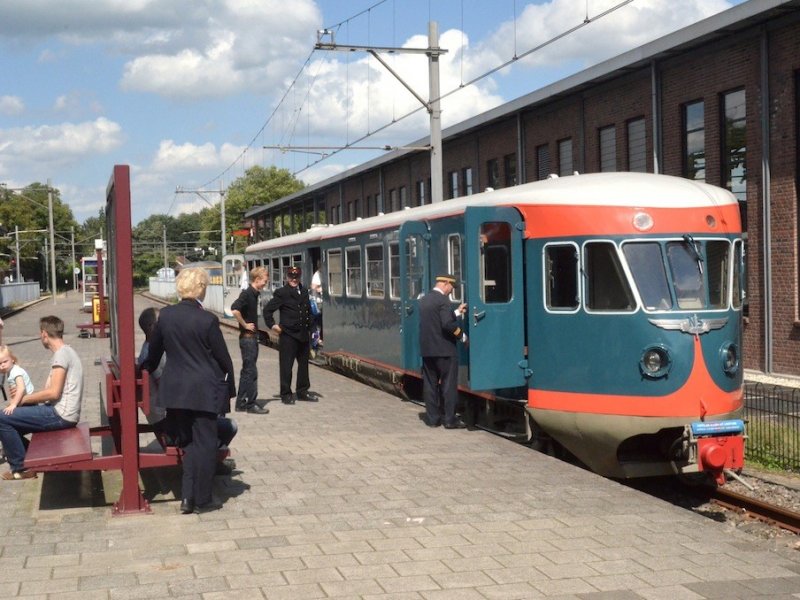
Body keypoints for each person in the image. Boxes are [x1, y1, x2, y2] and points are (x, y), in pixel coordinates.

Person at [142, 268, 236, 514]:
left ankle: (187, 498)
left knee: (188, 444)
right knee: (205, 445)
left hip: (175, 393)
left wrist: (144, 368)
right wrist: (230, 389)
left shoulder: (166, 317)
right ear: (200, 288)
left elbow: (153, 354)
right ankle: (202, 499)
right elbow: (223, 358)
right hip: (203, 391)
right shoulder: (207, 320)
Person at [137, 307, 238, 470]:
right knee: (229, 426)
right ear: (152, 328)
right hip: (168, 421)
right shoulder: (157, 356)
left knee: (213, 412)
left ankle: (210, 459)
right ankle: (210, 463)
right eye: (161, 323)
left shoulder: (148, 351)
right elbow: (174, 392)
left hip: (163, 416)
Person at [0, 315, 84, 480]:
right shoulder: (66, 351)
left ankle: (21, 468)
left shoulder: (61, 355)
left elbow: (53, 393)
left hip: (60, 415)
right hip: (61, 411)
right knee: (10, 420)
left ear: (44, 334)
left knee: (3, 418)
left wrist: (23, 399)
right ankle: (32, 456)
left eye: (40, 334)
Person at [418, 274, 468, 429]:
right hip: (445, 351)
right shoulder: (443, 300)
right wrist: (463, 337)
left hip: (427, 350)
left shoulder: (424, 300)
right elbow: (446, 324)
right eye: (451, 288)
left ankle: (433, 419)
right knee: (448, 385)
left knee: (430, 385)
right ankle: (449, 419)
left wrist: (457, 312)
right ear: (446, 283)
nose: (451, 291)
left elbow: (437, 320)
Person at [263, 265, 315, 404]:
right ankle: (286, 394)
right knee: (286, 366)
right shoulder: (282, 293)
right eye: (291, 277)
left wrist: (312, 329)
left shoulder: (304, 291)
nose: (294, 279)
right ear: (287, 277)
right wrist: (273, 325)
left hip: (303, 334)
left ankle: (302, 391)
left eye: (296, 276)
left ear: (299, 277)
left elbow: (308, 311)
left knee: (303, 365)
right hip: (288, 335)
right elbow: (267, 310)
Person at [230, 266, 269, 414]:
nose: (266, 283)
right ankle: (251, 403)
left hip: (250, 339)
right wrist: (245, 324)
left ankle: (241, 402)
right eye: (264, 281)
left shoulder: (253, 294)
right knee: (251, 372)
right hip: (248, 339)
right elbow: (234, 309)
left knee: (247, 371)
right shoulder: (247, 294)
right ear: (257, 279)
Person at [0, 345, 34, 414]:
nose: (2, 365)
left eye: (5, 361)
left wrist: (13, 404)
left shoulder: (15, 371)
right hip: (23, 401)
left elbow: (21, 388)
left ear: (12, 359)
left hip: (28, 403)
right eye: (0, 363)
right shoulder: (11, 370)